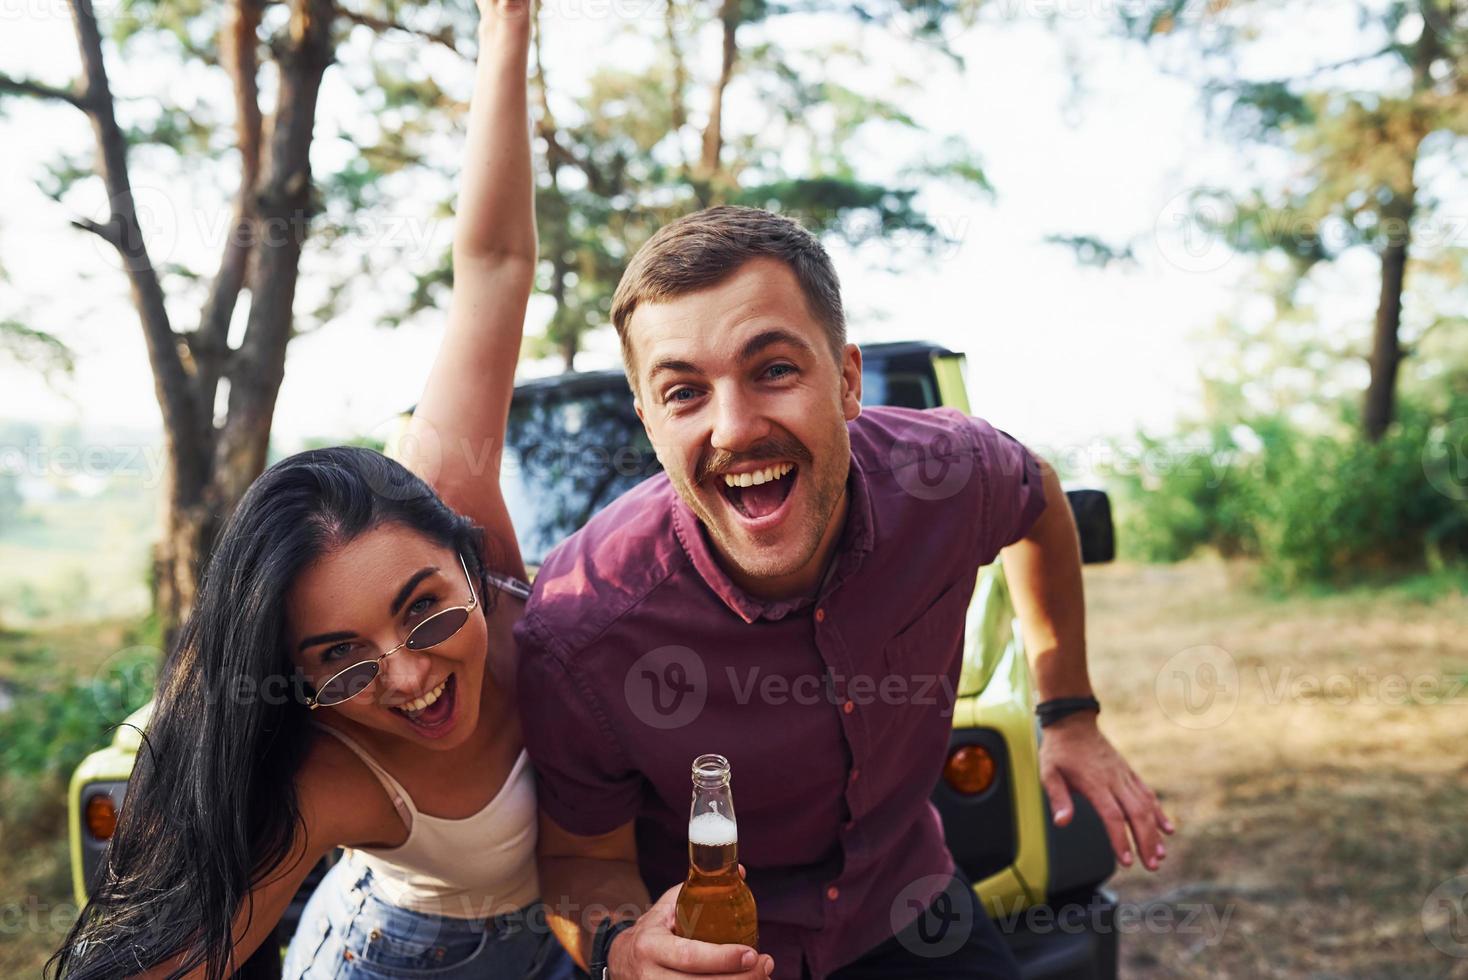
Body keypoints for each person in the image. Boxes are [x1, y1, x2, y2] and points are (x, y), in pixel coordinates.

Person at [46, 1, 574, 977]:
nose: (407, 675)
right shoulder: (332, 772)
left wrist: (505, 29)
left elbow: (494, 268)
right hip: (418, 953)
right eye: (341, 660)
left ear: (462, 554)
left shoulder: (457, 507)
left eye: (422, 615)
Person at [516, 206, 1177, 979]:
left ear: (848, 380)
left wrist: (1068, 714)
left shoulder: (947, 474)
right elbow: (577, 862)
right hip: (713, 956)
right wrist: (624, 950)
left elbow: (1040, 498)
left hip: (910, 899)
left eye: (773, 370)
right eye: (684, 393)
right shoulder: (578, 627)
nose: (733, 427)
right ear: (650, 423)